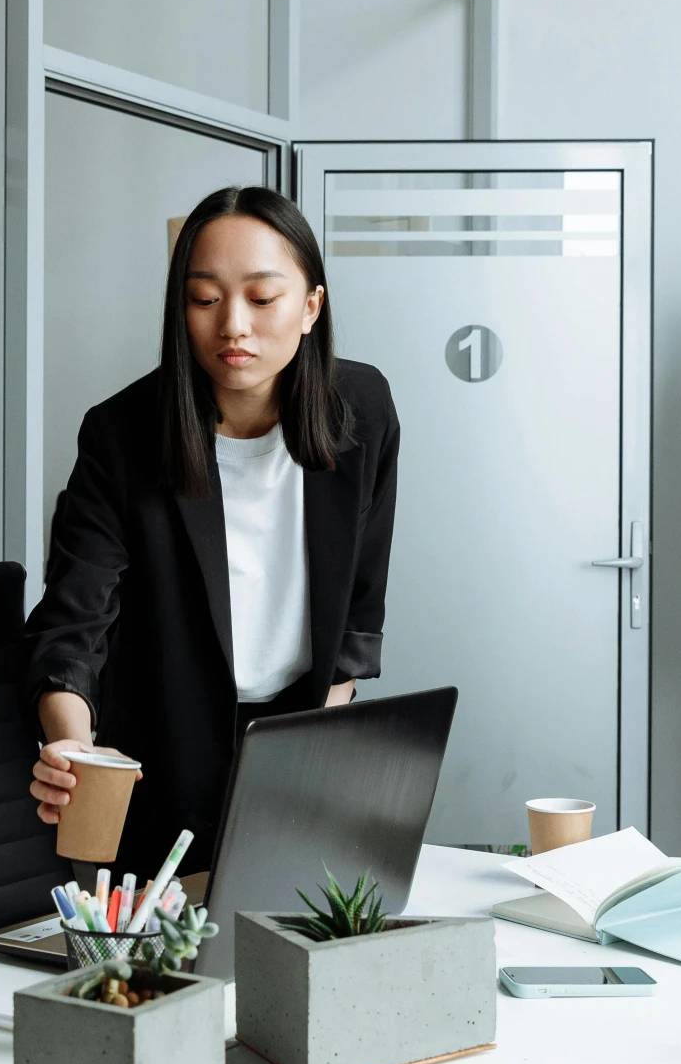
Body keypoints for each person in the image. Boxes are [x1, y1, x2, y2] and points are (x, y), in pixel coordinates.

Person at [23, 185, 399, 878]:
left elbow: (357, 614)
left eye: (262, 298)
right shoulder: (121, 435)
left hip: (300, 740)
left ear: (310, 306)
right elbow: (71, 624)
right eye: (203, 299)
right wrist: (72, 748)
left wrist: (317, 747)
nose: (233, 325)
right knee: (172, 966)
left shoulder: (362, 412)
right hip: (161, 749)